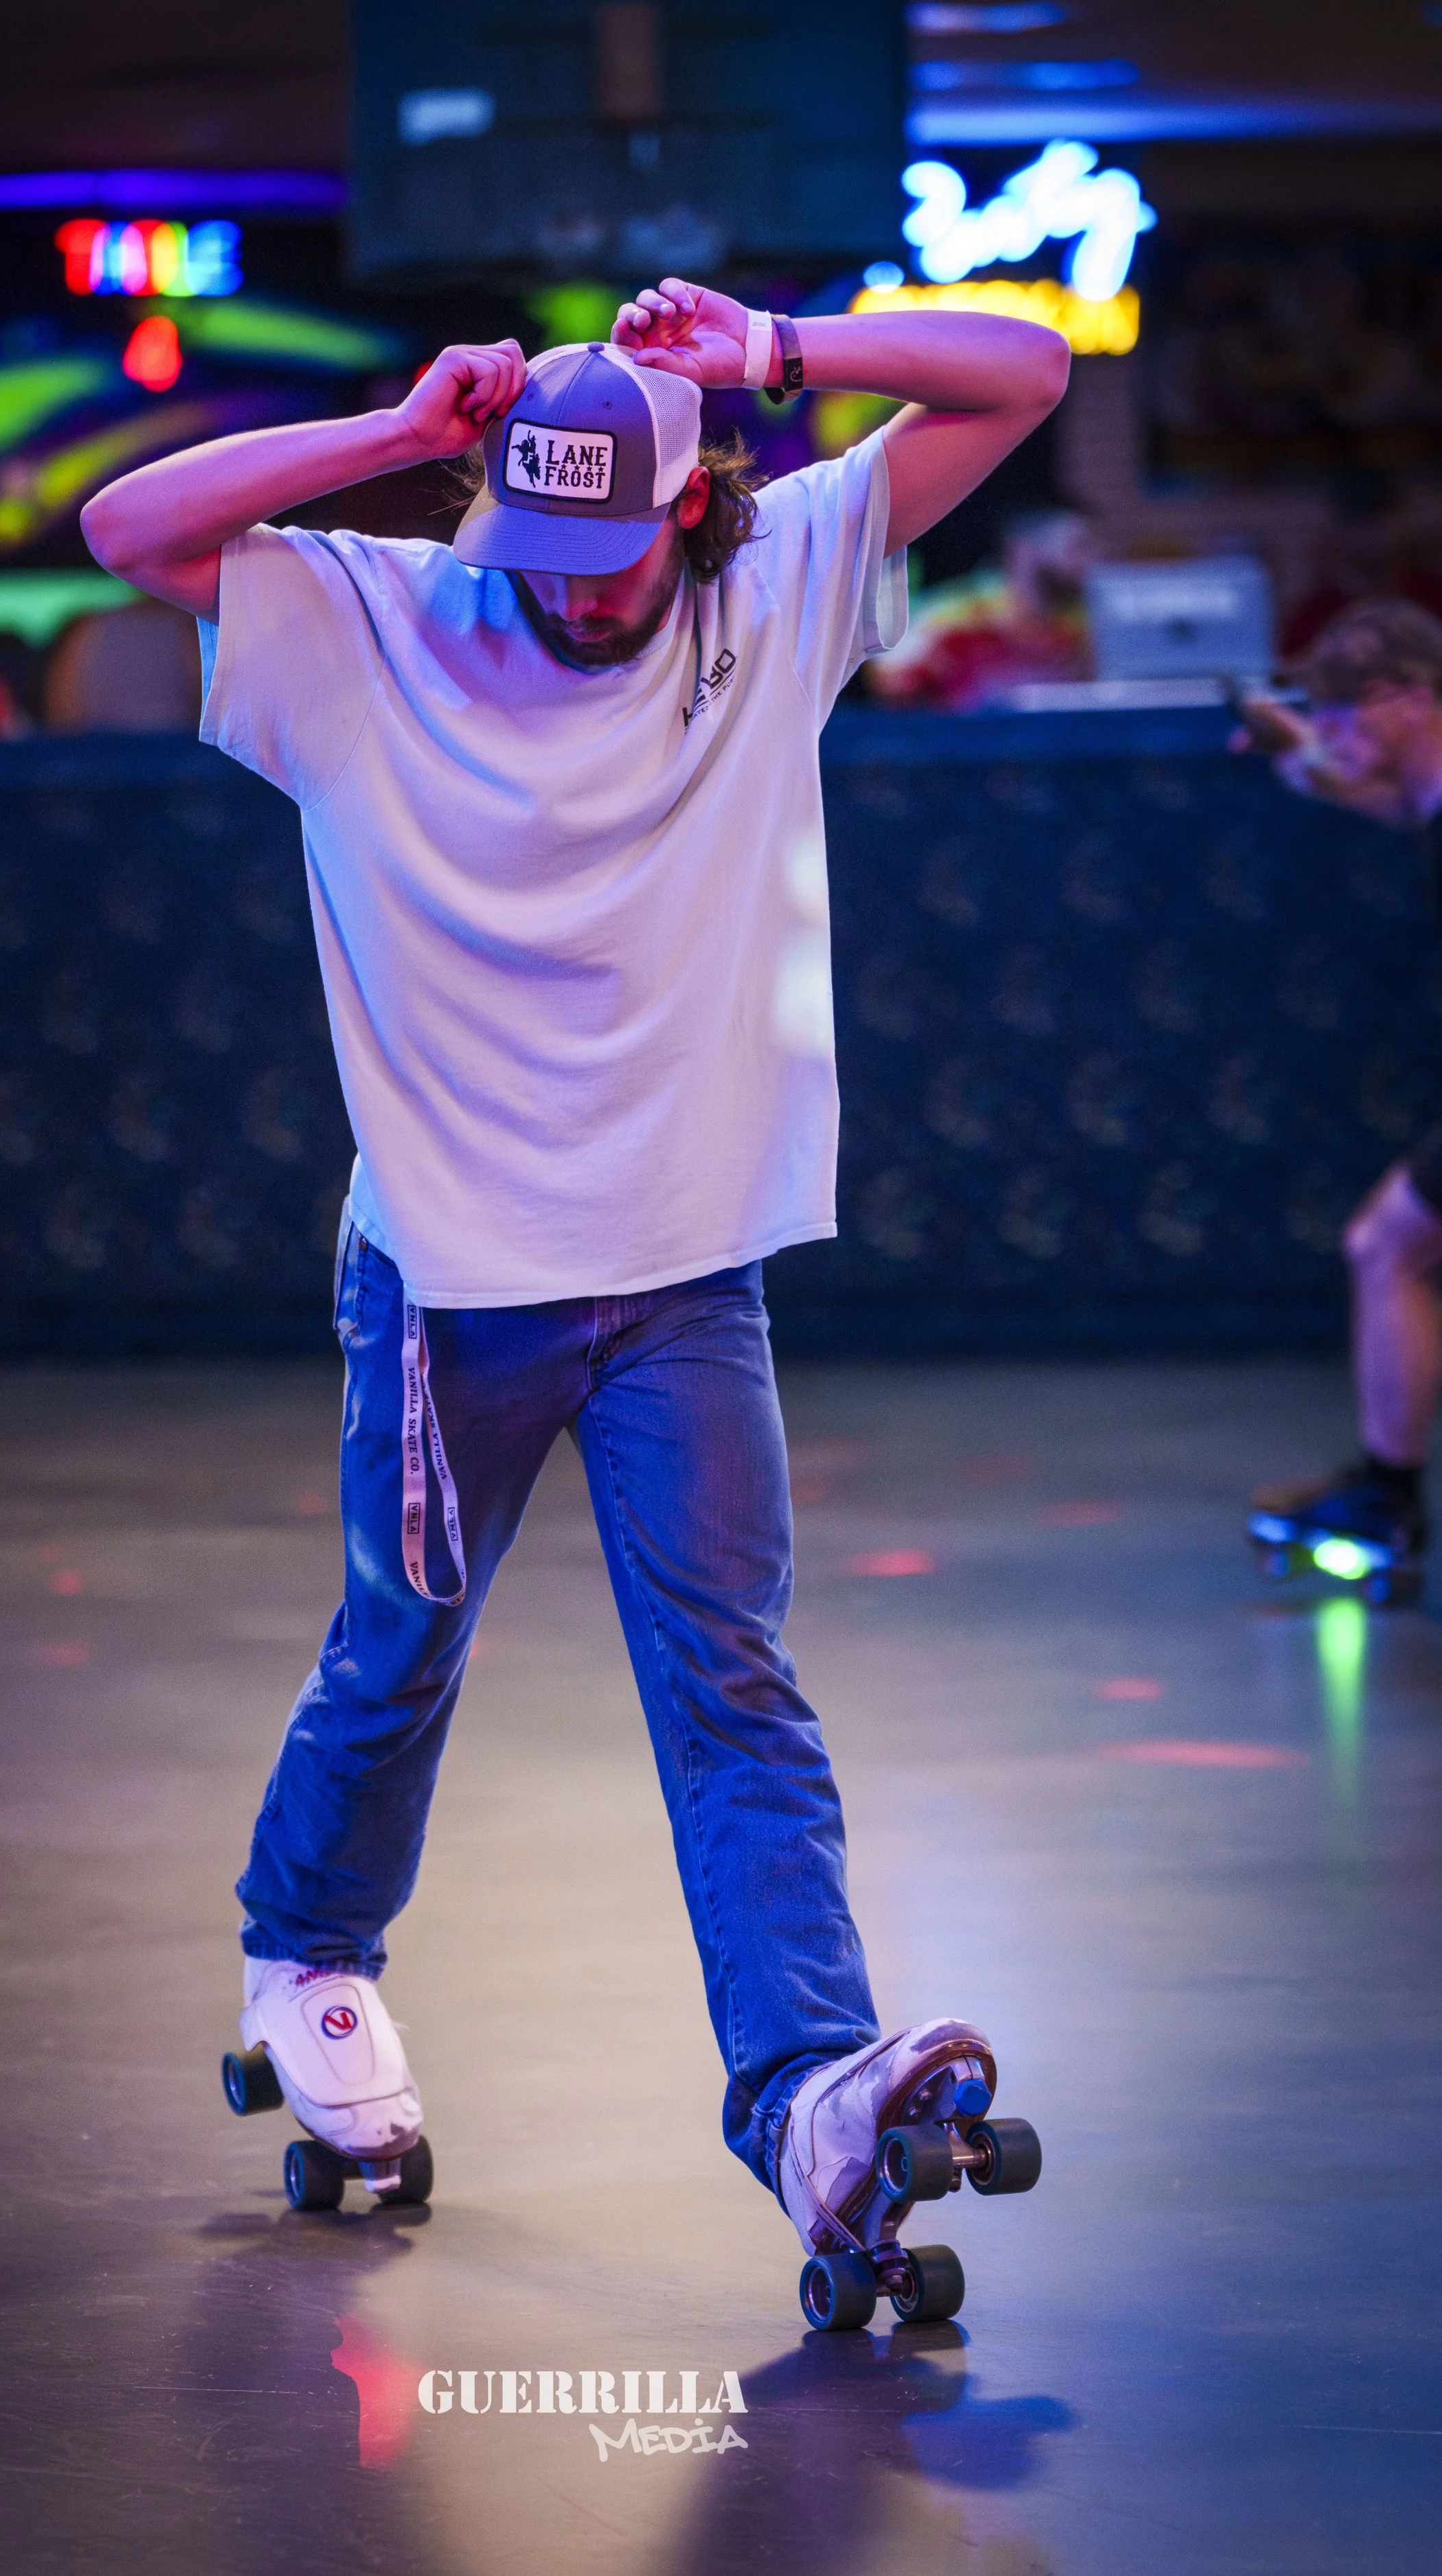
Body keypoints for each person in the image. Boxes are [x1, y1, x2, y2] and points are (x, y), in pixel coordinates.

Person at [80, 279, 1068, 2258]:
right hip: (447, 1281)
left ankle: (807, 2094)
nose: (577, 593)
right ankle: (309, 1950)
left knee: (734, 1686)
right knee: (401, 1648)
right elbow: (128, 534)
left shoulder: (770, 584)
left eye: (615, 554)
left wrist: (774, 352)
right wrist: (393, 428)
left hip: (688, 1272)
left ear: (697, 507)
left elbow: (1030, 373)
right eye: (540, 545)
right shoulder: (378, 617)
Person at [1235, 601, 1442, 1589]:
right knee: (1391, 1244)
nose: (1346, 738)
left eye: (1353, 717)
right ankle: (1387, 1491)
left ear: (1409, 700)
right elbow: (1385, 798)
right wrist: (1305, 756)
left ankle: (1389, 1495)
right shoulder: (1424, 788)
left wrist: (1313, 761)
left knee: (1388, 1244)